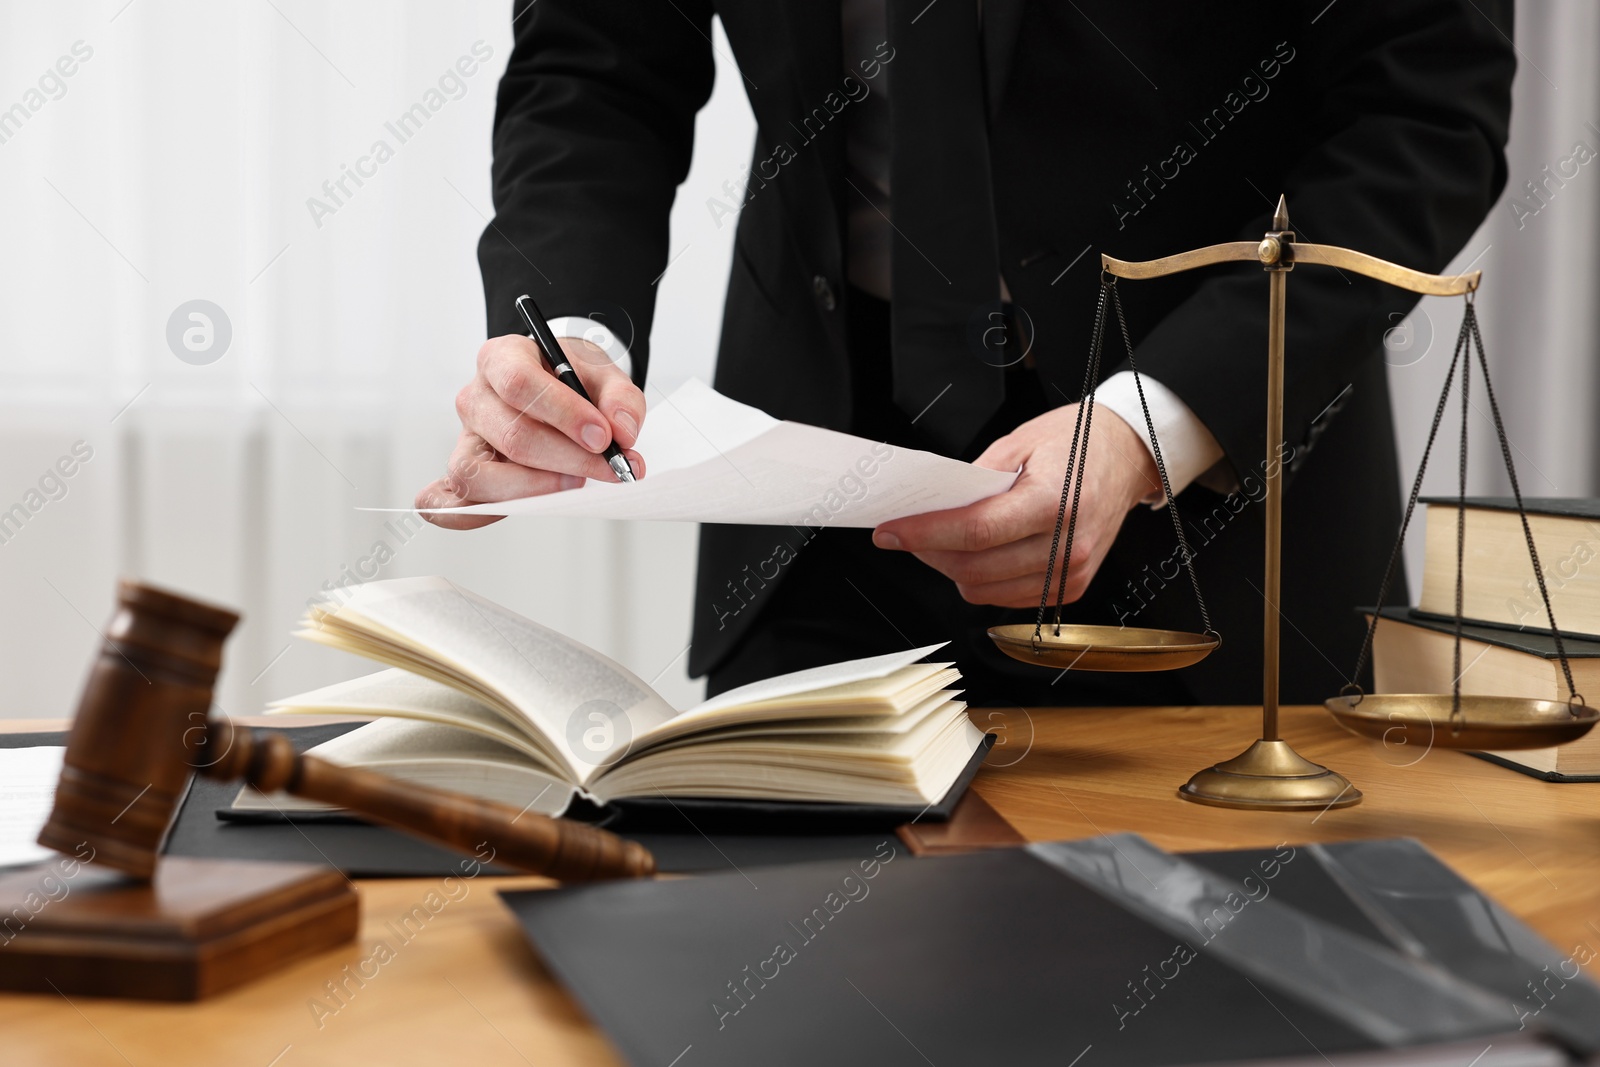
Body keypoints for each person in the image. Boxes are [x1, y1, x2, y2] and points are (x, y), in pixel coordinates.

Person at [417, 1, 1514, 707]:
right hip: (815, 520)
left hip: (1219, 532)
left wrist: (1149, 424)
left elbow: (1427, 117)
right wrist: (569, 339)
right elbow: (597, 68)